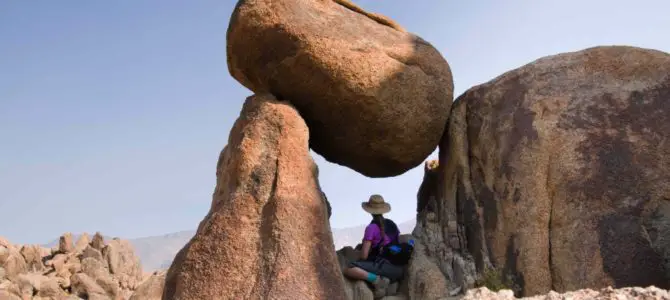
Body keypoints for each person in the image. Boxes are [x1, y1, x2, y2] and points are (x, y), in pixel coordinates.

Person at [343, 194, 404, 299]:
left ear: (370, 211)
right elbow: (396, 243)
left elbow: (364, 256)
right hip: (399, 270)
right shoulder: (392, 224)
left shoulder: (371, 228)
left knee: (349, 268)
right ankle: (387, 280)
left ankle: (377, 280)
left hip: (383, 265)